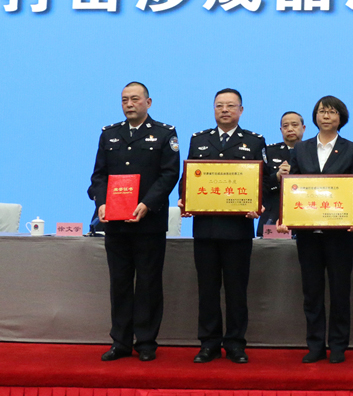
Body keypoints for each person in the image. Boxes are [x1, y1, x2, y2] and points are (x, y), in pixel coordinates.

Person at [88, 82, 180, 362]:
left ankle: (147, 342)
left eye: (135, 99)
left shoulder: (165, 133)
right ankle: (120, 342)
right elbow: (98, 176)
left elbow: (169, 174)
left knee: (149, 283)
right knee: (120, 283)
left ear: (148, 103)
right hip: (115, 223)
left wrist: (147, 204)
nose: (129, 104)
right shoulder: (109, 134)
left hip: (148, 223)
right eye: (124, 100)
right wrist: (101, 202)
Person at [178, 88, 265, 364]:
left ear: (241, 110)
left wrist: (259, 204)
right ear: (213, 109)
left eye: (230, 106)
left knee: (236, 291)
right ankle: (209, 343)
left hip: (239, 229)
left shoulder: (253, 141)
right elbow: (188, 177)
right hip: (206, 228)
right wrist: (184, 199)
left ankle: (236, 344)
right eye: (219, 105)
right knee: (207, 289)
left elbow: (262, 181)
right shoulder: (199, 139)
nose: (224, 110)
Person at [278, 96, 353, 364]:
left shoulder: (352, 149)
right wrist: (286, 215)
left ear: (341, 117)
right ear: (315, 117)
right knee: (312, 292)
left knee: (339, 291)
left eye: (332, 112)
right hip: (308, 234)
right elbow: (293, 186)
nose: (326, 116)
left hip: (339, 234)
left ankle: (338, 345)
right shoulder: (301, 148)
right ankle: (315, 344)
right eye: (322, 111)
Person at [258, 111, 306, 234]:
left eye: (294, 125)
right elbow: (259, 184)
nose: (290, 129)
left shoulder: (311, 153)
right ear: (281, 130)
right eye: (285, 126)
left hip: (304, 213)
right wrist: (277, 177)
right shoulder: (268, 151)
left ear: (303, 128)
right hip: (272, 215)